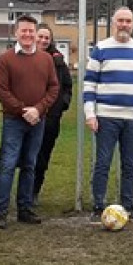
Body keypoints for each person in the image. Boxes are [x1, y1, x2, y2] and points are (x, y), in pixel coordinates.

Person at [85, 7, 133, 222]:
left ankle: (128, 205)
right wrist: (90, 113)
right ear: (113, 22)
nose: (124, 24)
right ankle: (98, 206)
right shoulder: (100, 49)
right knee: (103, 162)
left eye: (128, 21)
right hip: (106, 116)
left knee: (129, 164)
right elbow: (90, 84)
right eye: (120, 20)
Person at [0, 14, 59, 229]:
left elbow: (53, 88)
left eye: (31, 31)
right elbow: (1, 91)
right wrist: (23, 110)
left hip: (37, 121)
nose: (28, 35)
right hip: (13, 120)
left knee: (30, 165)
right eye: (24, 31)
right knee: (8, 165)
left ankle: (25, 208)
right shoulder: (5, 59)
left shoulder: (46, 60)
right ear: (16, 33)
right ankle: (1, 212)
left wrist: (38, 110)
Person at [32, 23, 73, 204]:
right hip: (24, 117)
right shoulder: (23, 56)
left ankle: (33, 192)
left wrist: (60, 107)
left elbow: (67, 87)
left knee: (42, 157)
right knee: (11, 157)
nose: (42, 40)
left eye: (46, 38)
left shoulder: (58, 61)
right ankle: (1, 194)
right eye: (40, 36)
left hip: (49, 119)